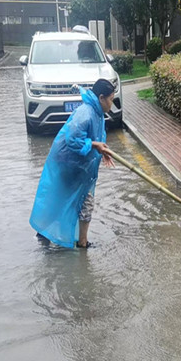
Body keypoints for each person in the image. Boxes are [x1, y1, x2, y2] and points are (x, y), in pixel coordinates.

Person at [29, 79, 116, 249]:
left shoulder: (98, 114)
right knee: (63, 197)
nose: (111, 104)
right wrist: (95, 145)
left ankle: (80, 241)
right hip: (67, 163)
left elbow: (97, 137)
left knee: (82, 200)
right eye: (111, 100)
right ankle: (47, 233)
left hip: (81, 166)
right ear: (101, 98)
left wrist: (102, 151)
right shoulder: (85, 113)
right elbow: (73, 140)